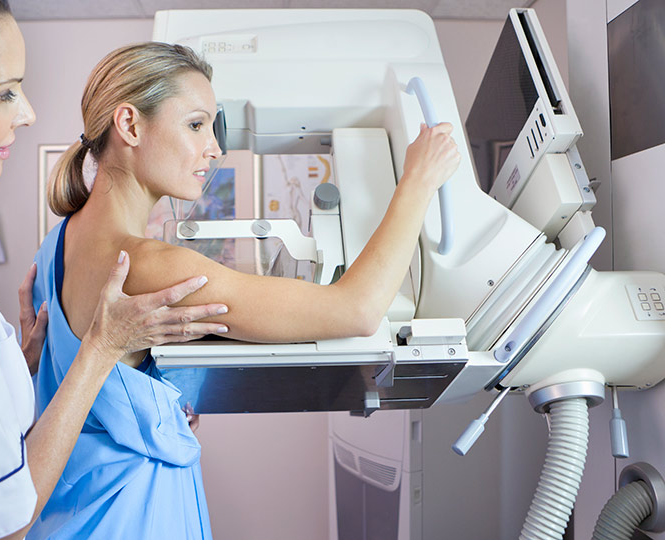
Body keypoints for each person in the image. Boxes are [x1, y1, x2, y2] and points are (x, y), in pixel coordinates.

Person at [28, 42, 460, 539]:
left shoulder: (57, 243)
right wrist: (418, 182)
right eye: (196, 125)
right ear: (129, 125)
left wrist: (154, 413)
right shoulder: (148, 268)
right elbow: (357, 309)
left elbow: (85, 397)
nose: (214, 148)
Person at [0, 3, 229, 539]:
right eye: (5, 93)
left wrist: (10, 370)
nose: (27, 113)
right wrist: (101, 349)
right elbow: (2, 527)